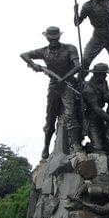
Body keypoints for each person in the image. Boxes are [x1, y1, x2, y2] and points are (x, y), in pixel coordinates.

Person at [20, 26, 81, 159]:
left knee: (70, 114)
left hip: (68, 84)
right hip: (54, 85)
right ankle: (46, 146)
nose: (53, 40)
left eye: (55, 38)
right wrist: (33, 65)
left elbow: (78, 66)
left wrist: (64, 78)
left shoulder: (70, 48)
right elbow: (24, 55)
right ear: (47, 38)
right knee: (50, 117)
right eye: (50, 38)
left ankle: (75, 144)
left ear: (59, 37)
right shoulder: (43, 51)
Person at [82, 63, 109, 153]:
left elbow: (107, 96)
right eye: (104, 74)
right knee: (98, 148)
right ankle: (87, 149)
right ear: (98, 75)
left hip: (101, 117)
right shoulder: (88, 89)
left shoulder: (104, 82)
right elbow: (96, 109)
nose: (106, 76)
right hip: (91, 119)